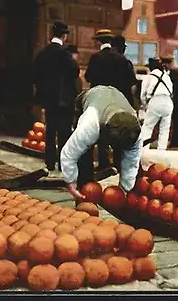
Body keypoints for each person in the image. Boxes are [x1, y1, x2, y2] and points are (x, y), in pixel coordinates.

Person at [60, 85, 142, 199]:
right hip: (91, 98)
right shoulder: (89, 124)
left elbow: (132, 161)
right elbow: (69, 154)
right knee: (84, 155)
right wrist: (71, 181)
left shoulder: (135, 131)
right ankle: (84, 190)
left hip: (115, 95)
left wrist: (124, 189)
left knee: (125, 158)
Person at [33, 21, 80, 171]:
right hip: (64, 100)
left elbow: (35, 76)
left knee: (50, 130)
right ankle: (62, 163)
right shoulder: (65, 54)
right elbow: (75, 72)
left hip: (48, 100)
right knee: (64, 132)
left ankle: (49, 163)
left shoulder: (43, 53)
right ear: (65, 36)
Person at [85, 29, 134, 170]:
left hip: (100, 100)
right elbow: (130, 80)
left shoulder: (96, 58)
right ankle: (117, 163)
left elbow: (88, 77)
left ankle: (104, 163)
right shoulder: (121, 59)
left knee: (102, 132)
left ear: (98, 42)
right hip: (117, 100)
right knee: (117, 130)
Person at [139, 58, 174, 150]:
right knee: (165, 129)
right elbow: (171, 91)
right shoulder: (166, 76)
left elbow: (142, 95)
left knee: (148, 127)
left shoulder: (149, 77)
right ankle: (161, 151)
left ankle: (144, 150)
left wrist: (145, 105)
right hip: (168, 102)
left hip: (155, 100)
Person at [111, 35, 137, 105]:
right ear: (122, 48)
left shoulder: (103, 60)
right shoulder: (126, 62)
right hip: (123, 99)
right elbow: (132, 83)